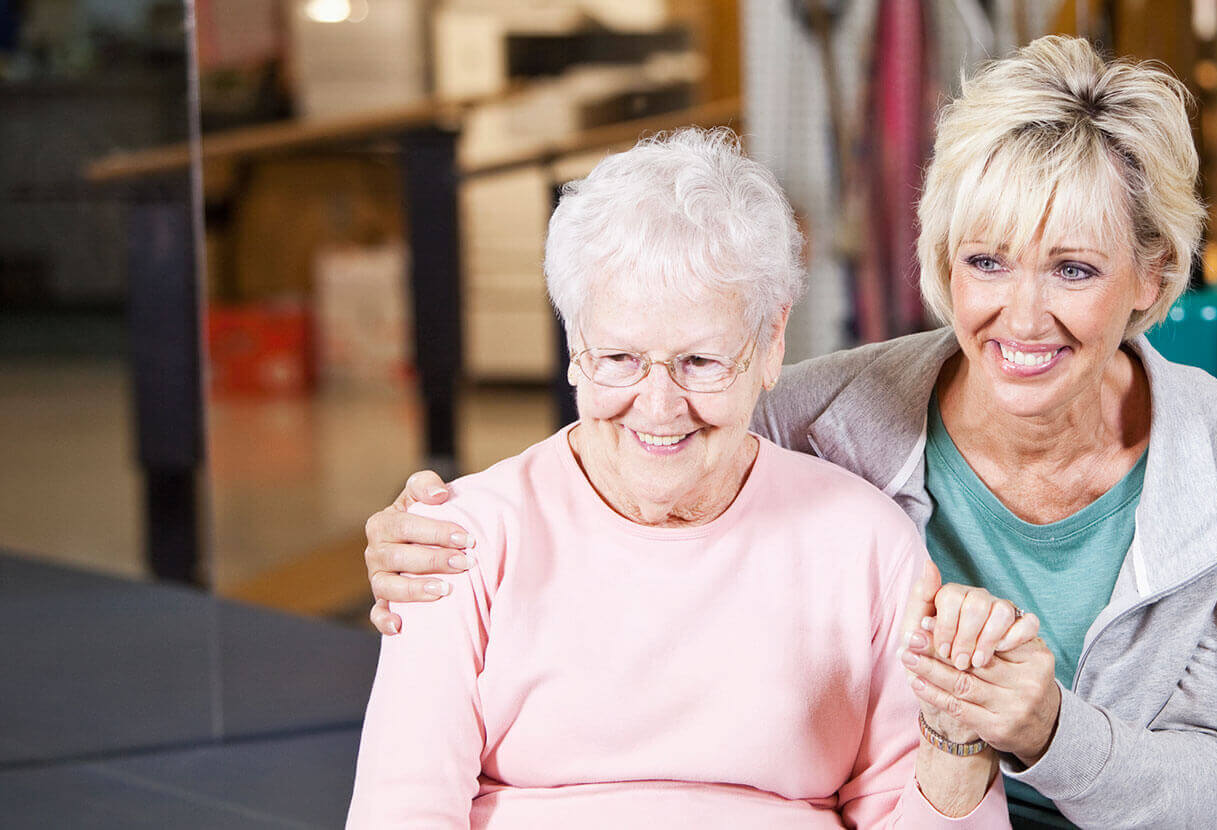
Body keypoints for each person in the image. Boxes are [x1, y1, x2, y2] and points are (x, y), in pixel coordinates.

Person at [361, 36, 1217, 829]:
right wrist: (423, 543)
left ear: (1152, 275)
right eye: (985, 261)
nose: (1020, 317)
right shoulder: (812, 416)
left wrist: (1035, 725)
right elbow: (645, 436)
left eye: (1071, 268)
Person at [345, 129, 1008, 828]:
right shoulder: (459, 542)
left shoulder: (866, 538)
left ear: (772, 343)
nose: (658, 408)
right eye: (620, 359)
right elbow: (404, 809)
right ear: (574, 348)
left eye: (699, 362)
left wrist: (955, 745)